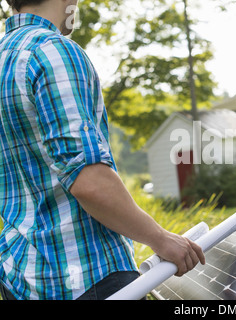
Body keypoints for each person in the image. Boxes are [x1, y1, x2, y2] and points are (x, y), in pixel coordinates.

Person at [0, 0, 205, 300]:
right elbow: (89, 181)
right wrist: (160, 239)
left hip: (21, 280)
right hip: (85, 277)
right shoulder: (52, 51)